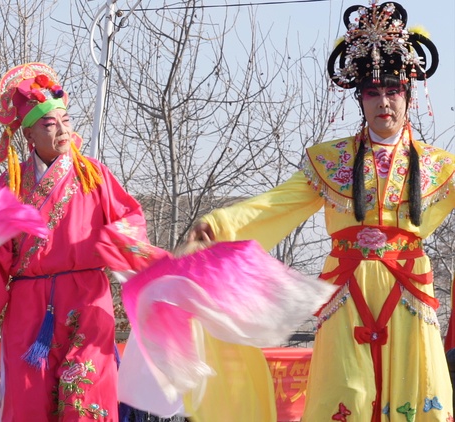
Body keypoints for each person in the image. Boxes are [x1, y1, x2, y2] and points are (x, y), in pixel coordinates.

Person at [188, 2, 453, 421]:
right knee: (343, 390)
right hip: (346, 290)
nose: (384, 102)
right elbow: (278, 203)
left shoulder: (441, 166)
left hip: (408, 289)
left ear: (409, 94)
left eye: (392, 91)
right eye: (372, 92)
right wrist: (221, 224)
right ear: (359, 98)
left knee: (417, 393)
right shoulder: (331, 160)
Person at [0, 62, 153, 421]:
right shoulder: (10, 186)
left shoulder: (93, 175)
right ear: (29, 136)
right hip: (28, 307)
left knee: (84, 395)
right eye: (49, 123)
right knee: (28, 402)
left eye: (65, 120)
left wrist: (118, 240)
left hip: (87, 301)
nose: (61, 129)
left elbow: (129, 218)